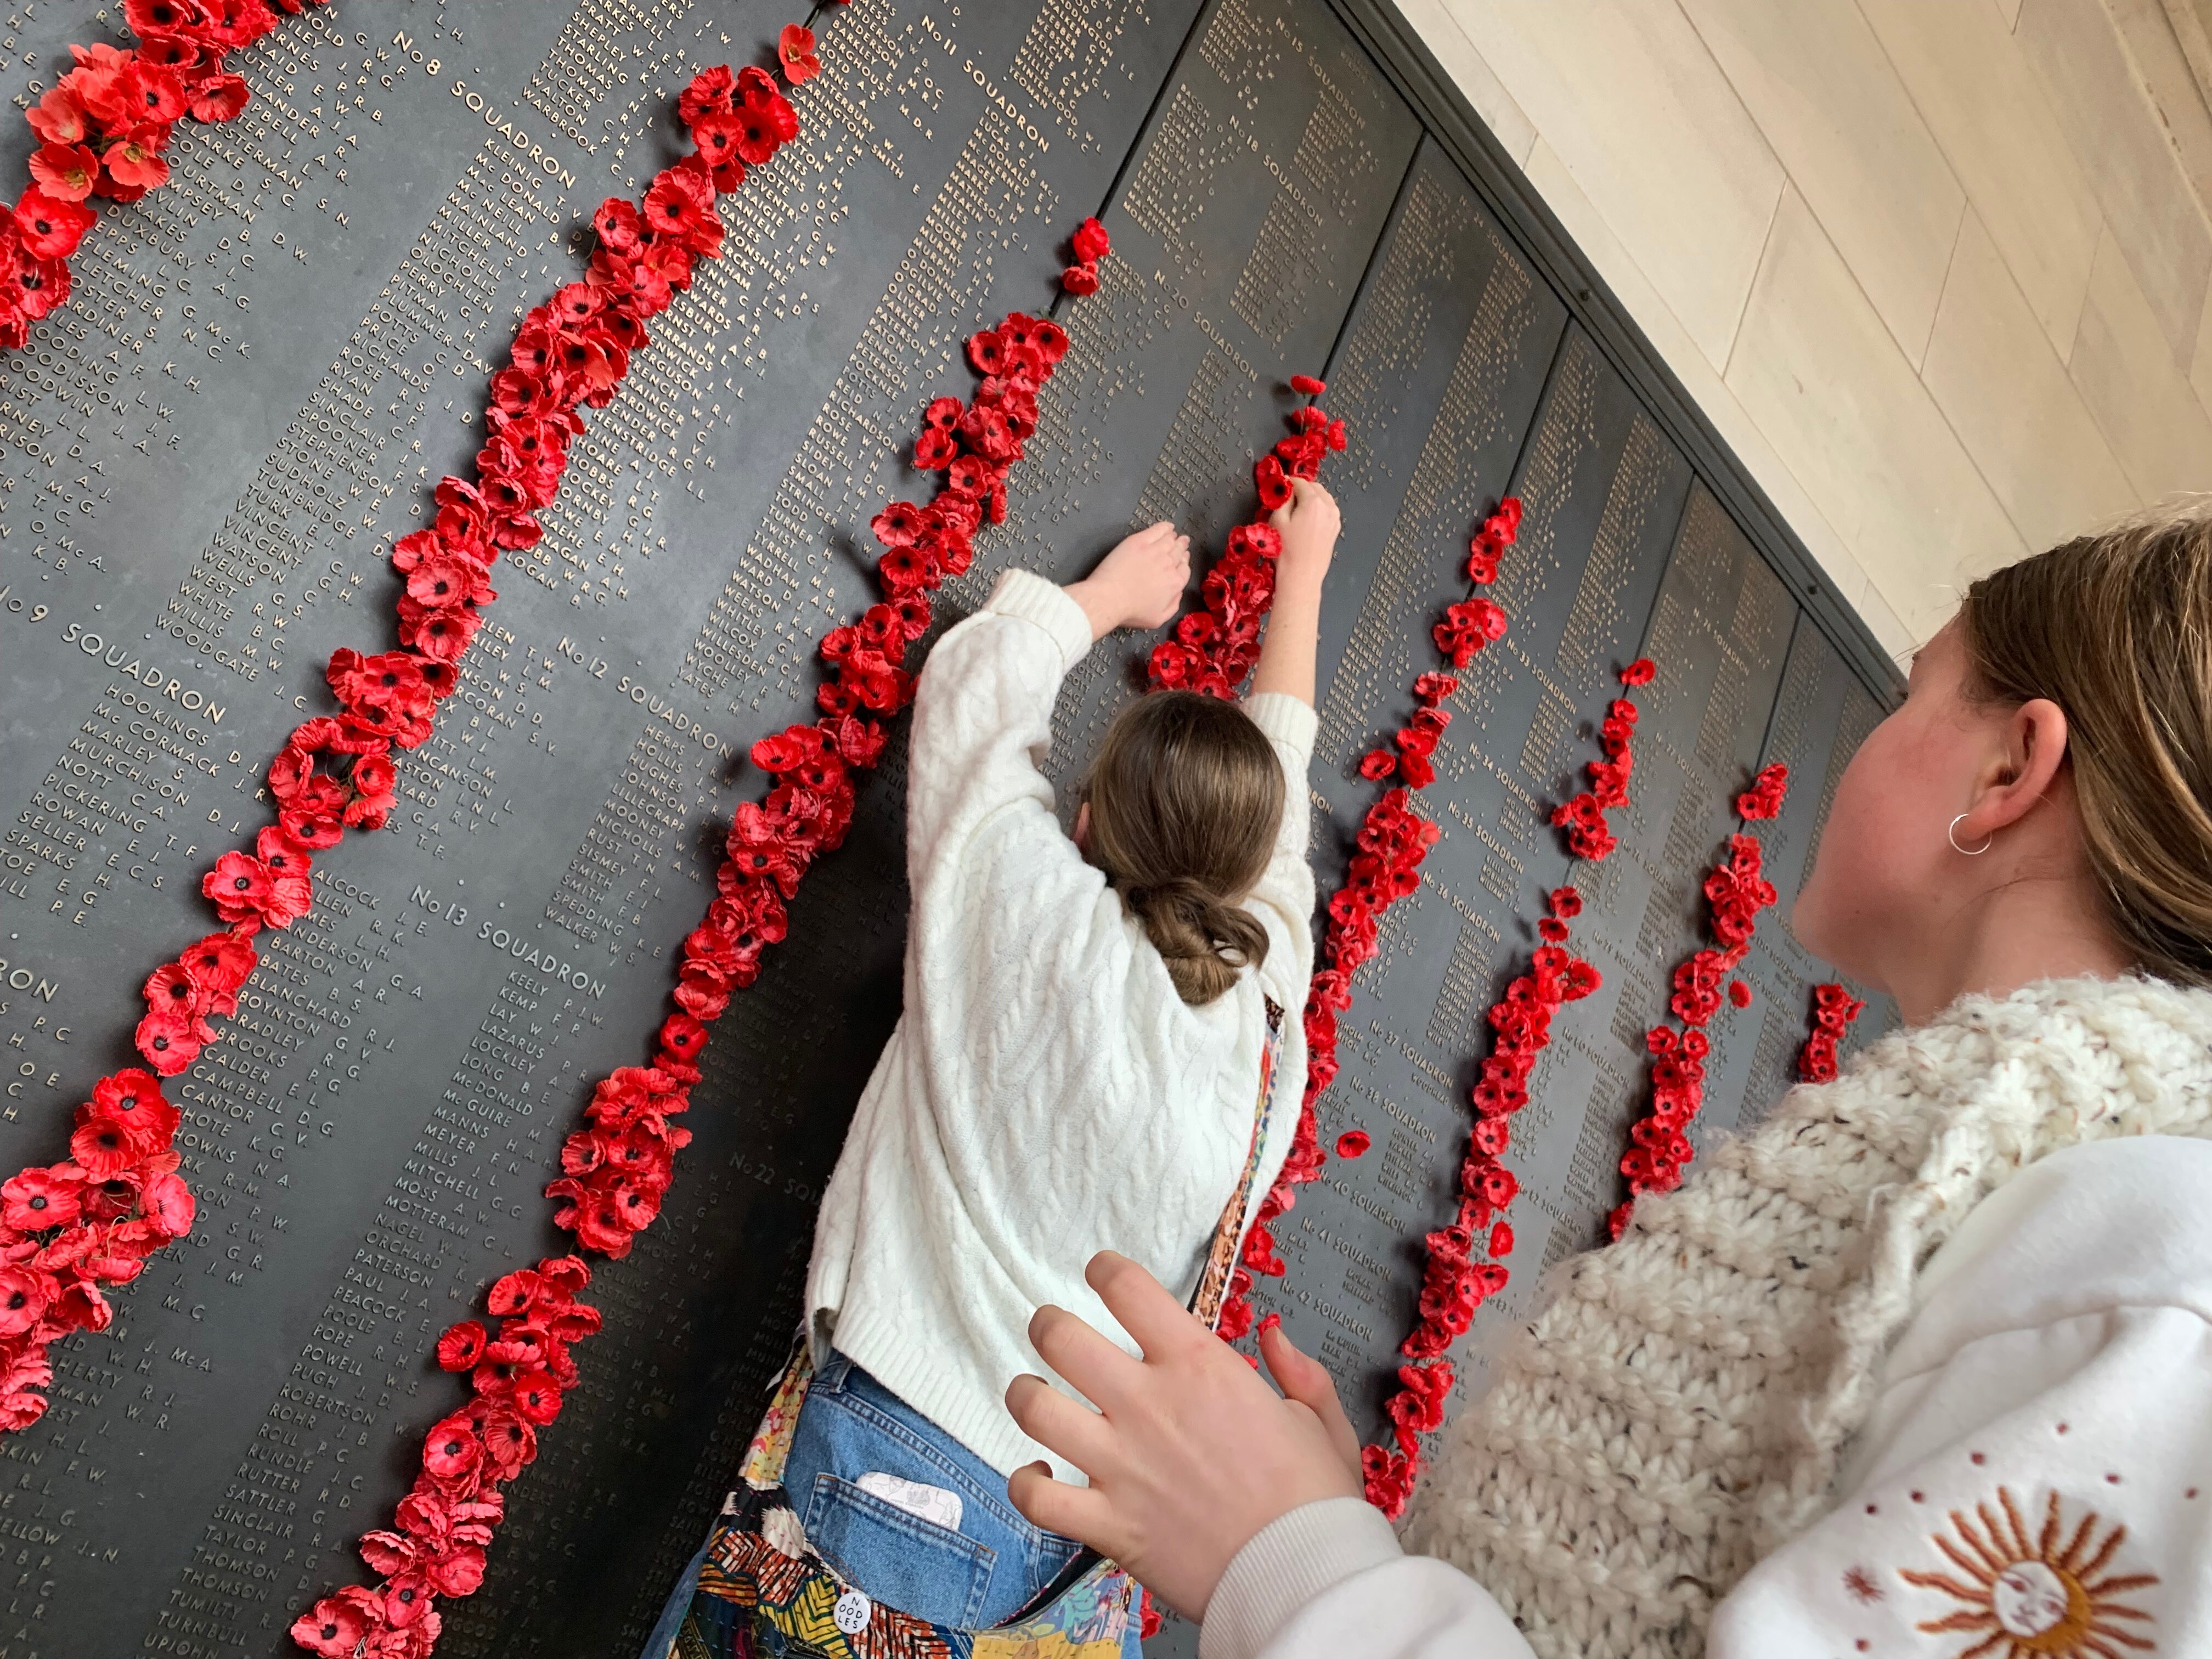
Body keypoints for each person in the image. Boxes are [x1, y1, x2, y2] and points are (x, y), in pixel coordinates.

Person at [1001, 500, 2212, 1659]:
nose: (1870, 738)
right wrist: (1357, 1550)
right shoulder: (2077, 1230)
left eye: (1913, 697)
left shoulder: (2155, 1279)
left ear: (2009, 772)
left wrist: (1302, 1565)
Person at [644, 482, 1342, 1650]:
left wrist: (1105, 600)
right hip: (1057, 1529)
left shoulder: (1017, 907)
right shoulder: (1264, 1027)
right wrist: (1304, 577)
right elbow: (1278, 823)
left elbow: (977, 683)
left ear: (1084, 822)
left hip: (883, 1462)